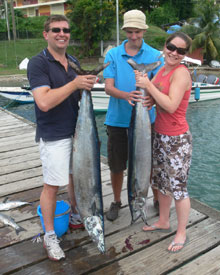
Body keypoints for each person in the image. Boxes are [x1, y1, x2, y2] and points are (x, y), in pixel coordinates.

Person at [27, 15, 96, 261]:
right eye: (56, 29)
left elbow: (77, 97)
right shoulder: (38, 63)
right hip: (54, 136)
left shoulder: (74, 62)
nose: (62, 33)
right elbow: (44, 102)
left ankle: (76, 213)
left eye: (66, 30)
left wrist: (85, 85)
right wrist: (75, 83)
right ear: (46, 34)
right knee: (52, 185)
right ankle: (49, 235)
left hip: (78, 134)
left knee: (75, 179)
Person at [103, 9, 164, 221]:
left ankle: (155, 199)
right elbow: (108, 88)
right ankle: (117, 201)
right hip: (117, 120)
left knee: (149, 162)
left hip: (148, 121)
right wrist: (126, 94)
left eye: (137, 31)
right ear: (125, 32)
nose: (134, 36)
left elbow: (162, 89)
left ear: (144, 30)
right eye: (129, 32)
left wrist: (153, 99)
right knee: (117, 164)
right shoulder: (112, 55)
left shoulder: (156, 56)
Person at [135, 32, 192, 253]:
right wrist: (150, 97)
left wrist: (147, 86)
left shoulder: (181, 74)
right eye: (171, 47)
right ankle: (163, 221)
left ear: (185, 55)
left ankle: (182, 232)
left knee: (178, 188)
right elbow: (159, 96)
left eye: (181, 51)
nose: (174, 53)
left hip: (177, 139)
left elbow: (170, 105)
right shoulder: (162, 69)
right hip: (159, 134)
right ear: (165, 46)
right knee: (160, 183)